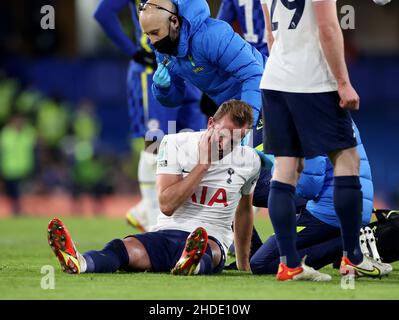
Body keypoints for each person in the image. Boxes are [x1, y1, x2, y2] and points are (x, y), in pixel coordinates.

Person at [47, 100, 260, 275]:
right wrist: (204, 165)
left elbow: (243, 211)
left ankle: (190, 264)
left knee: (208, 254)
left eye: (236, 140)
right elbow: (167, 205)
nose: (226, 146)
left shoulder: (249, 161)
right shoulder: (174, 143)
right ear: (211, 123)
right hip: (166, 232)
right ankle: (80, 262)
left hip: (211, 237)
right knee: (121, 249)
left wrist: (243, 263)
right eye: (222, 136)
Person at [260, 0, 381, 281]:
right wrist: (343, 82)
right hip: (314, 81)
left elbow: (270, 35)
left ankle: (290, 265)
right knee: (347, 158)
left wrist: (285, 72)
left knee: (285, 169)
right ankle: (353, 257)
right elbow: (327, 26)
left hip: (275, 81)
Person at [94, 0, 206, 232]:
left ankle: (155, 212)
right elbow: (103, 14)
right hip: (155, 71)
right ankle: (151, 214)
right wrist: (133, 52)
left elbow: (104, 14)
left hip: (184, 69)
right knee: (155, 143)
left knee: (194, 145)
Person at [250, 123, 393, 277]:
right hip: (354, 205)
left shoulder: (308, 123)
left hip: (329, 211)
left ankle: (348, 245)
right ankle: (350, 242)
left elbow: (309, 187)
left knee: (261, 262)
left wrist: (280, 176)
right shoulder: (335, 115)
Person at [138, 0, 265, 129]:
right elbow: (176, 99)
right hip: (234, 108)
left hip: (266, 97)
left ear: (174, 21)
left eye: (155, 33)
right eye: (147, 35)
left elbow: (254, 75)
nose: (152, 42)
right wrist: (163, 89)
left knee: (265, 148)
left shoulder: (213, 36)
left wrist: (245, 123)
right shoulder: (164, 52)